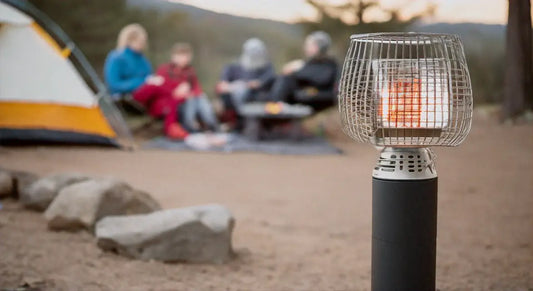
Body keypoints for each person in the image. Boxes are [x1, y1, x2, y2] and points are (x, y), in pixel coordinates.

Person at [134, 43, 219, 135]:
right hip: (173, 102)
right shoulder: (164, 69)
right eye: (180, 56)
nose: (183, 59)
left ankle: (212, 126)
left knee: (200, 98)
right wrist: (178, 89)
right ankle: (192, 127)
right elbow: (160, 87)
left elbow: (197, 88)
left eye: (185, 56)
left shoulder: (190, 71)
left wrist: (189, 93)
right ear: (173, 57)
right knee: (193, 100)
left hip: (187, 99)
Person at [270, 31, 338, 112]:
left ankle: (278, 107)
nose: (306, 48)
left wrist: (297, 70)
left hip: (320, 96)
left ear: (318, 47)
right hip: (305, 94)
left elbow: (321, 79)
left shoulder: (329, 63)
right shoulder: (311, 62)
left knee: (287, 79)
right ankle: (277, 105)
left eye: (309, 45)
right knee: (284, 78)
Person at [217, 38, 276, 129]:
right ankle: (238, 122)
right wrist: (229, 84)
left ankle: (248, 123)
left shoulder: (267, 66)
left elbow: (266, 80)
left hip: (256, 94)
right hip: (235, 92)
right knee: (236, 92)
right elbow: (224, 80)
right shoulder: (236, 64)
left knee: (247, 93)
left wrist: (253, 84)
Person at [103, 24, 162, 96]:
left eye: (144, 42)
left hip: (144, 96)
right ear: (129, 41)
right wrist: (142, 82)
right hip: (123, 99)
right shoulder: (116, 57)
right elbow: (114, 85)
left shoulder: (143, 60)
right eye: (140, 42)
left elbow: (148, 76)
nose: (143, 45)